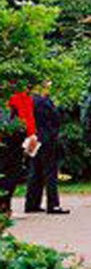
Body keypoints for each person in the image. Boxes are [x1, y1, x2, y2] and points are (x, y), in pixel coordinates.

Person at [25, 79, 69, 215]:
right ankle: (53, 205)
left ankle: (31, 203)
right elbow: (56, 119)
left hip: (32, 139)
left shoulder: (29, 100)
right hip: (47, 139)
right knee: (50, 172)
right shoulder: (44, 102)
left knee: (35, 170)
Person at [0, 80, 39, 218]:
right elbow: (26, 116)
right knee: (11, 172)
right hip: (13, 137)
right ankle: (4, 206)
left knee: (7, 171)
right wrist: (32, 134)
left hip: (8, 136)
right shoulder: (19, 94)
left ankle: (5, 206)